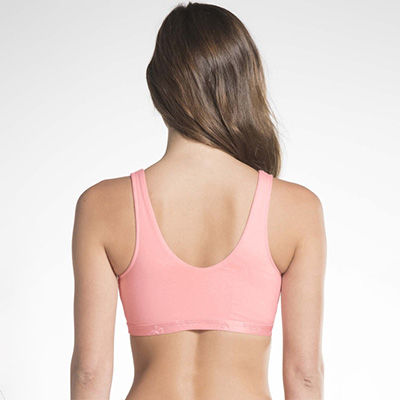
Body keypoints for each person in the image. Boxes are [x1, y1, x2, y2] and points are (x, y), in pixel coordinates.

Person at [70, 2, 327, 399]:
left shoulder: (101, 206)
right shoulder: (297, 210)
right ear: (244, 87)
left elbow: (90, 372)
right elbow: (304, 373)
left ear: (158, 88)